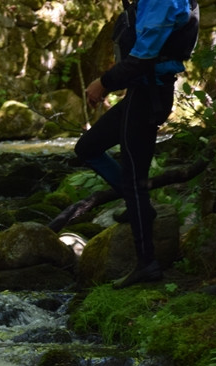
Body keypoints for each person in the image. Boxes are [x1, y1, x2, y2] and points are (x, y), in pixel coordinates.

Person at [74, 0, 198, 289]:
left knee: (134, 179)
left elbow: (143, 57)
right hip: (141, 94)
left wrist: (103, 83)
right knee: (87, 148)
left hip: (148, 96)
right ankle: (141, 208)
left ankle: (147, 263)